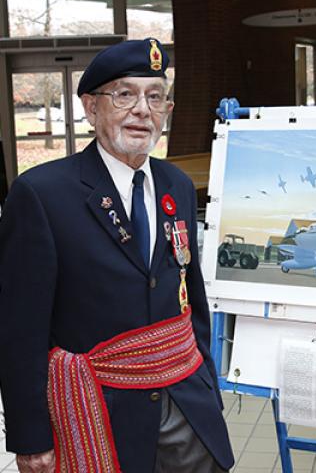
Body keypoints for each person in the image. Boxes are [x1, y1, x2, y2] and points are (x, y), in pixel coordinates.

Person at [0, 38, 234, 473]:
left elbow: (192, 297)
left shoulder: (177, 185)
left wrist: (208, 386)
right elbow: (20, 329)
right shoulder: (42, 195)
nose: (143, 110)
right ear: (91, 109)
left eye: (155, 96)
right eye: (124, 94)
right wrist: (30, 435)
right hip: (99, 409)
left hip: (186, 401)